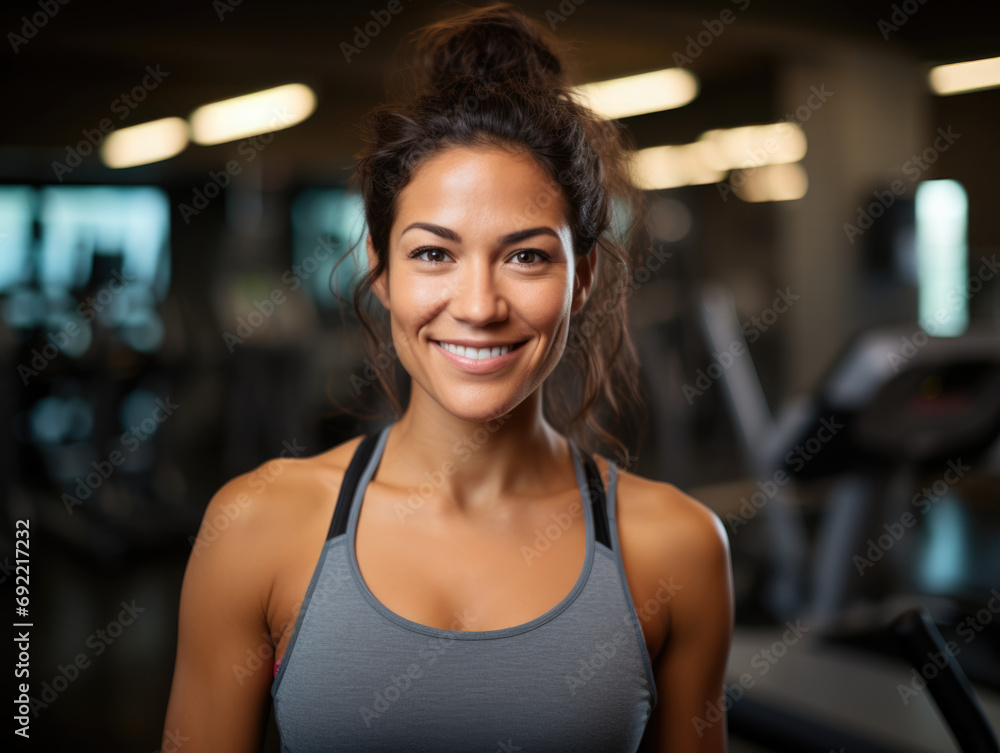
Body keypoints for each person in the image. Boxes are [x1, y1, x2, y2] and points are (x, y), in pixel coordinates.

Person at [161, 3, 733, 751]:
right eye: (434, 253)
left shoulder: (677, 548)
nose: (479, 306)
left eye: (526, 255)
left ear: (582, 276)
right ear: (381, 270)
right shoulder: (255, 527)